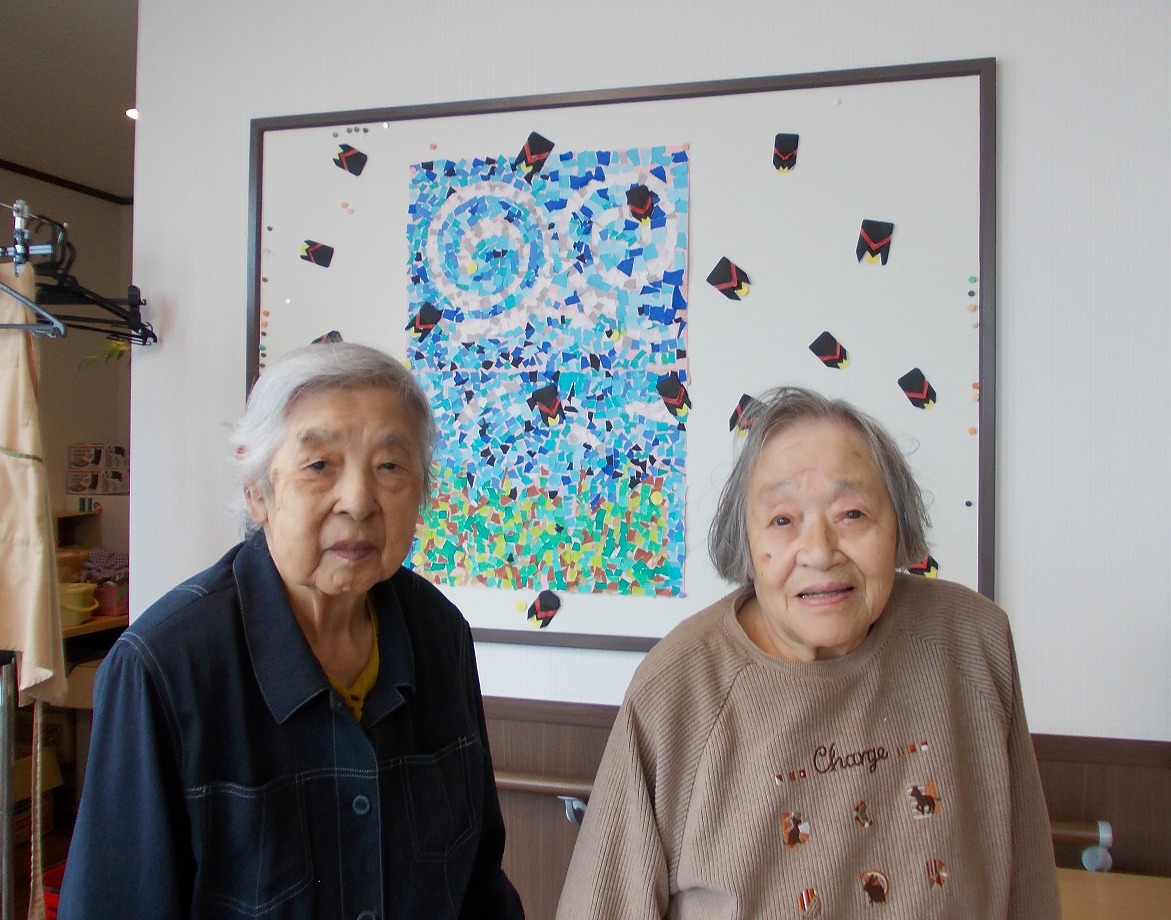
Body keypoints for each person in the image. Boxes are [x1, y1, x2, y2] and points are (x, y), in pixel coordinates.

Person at [59, 341, 523, 920]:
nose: (358, 502)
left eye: (389, 466)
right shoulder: (163, 667)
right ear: (257, 490)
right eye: (319, 465)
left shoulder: (439, 634)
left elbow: (479, 883)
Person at [557, 386, 1060, 919]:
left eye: (852, 513)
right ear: (746, 542)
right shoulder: (679, 688)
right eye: (782, 520)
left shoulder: (972, 641)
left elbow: (1027, 881)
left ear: (898, 526)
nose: (819, 551)